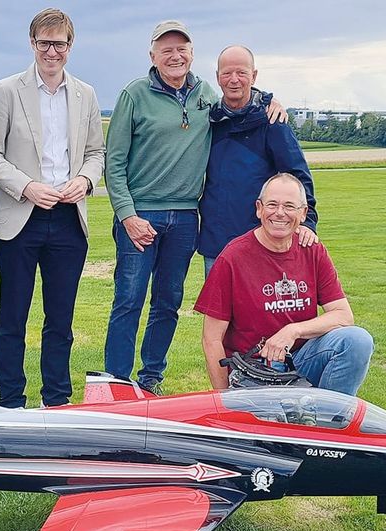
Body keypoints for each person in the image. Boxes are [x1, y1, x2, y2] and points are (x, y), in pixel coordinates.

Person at [103, 20, 284, 395]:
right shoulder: (133, 95)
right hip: (140, 215)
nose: (175, 55)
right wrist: (128, 215)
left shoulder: (204, 94)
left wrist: (268, 99)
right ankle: (117, 384)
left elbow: (239, 95)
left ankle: (150, 379)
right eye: (166, 49)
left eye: (181, 48)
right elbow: (114, 163)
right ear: (152, 55)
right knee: (128, 302)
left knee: (168, 304)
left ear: (191, 54)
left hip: (186, 217)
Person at [0, 8, 105, 408]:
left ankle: (57, 400)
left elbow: (95, 152)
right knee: (12, 318)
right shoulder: (6, 90)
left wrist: (84, 181)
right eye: (44, 43)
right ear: (32, 43)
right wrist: (27, 187)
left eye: (60, 43)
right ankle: (11, 402)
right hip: (20, 218)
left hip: (68, 220)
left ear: (71, 46)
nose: (52, 51)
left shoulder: (86, 94)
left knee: (60, 321)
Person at [194, 173, 373, 395]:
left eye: (289, 206)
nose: (280, 213)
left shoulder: (312, 250)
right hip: (254, 368)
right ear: (259, 209)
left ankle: (330, 421)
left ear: (303, 213)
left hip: (302, 358)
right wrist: (225, 400)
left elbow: (343, 316)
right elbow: (211, 339)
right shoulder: (233, 257)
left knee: (357, 340)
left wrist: (293, 331)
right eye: (272, 205)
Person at [199, 45, 318, 276]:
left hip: (263, 240)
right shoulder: (207, 121)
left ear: (253, 76)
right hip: (217, 242)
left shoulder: (272, 122)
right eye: (227, 73)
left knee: (262, 310)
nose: (234, 80)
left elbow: (297, 176)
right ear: (217, 78)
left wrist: (307, 222)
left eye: (242, 73)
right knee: (218, 311)